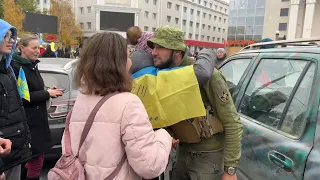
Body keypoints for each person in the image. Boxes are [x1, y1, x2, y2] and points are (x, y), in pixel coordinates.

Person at [66, 32, 173, 180]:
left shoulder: (82, 98)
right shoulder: (129, 104)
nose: (131, 62)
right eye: (128, 56)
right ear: (118, 63)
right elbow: (149, 166)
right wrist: (163, 136)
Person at [146, 26, 243, 180]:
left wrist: (230, 170)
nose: (153, 52)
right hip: (182, 154)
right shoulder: (165, 76)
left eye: (160, 47)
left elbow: (233, 123)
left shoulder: (209, 76)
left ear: (177, 51)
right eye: (153, 47)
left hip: (207, 160)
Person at [11, 34, 64, 180]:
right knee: (35, 160)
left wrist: (48, 91)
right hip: (28, 122)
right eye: (34, 48)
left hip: (37, 121)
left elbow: (33, 90)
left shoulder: (31, 65)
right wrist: (47, 93)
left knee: (31, 160)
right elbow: (23, 97)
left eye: (39, 48)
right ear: (22, 48)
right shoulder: (17, 67)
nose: (37, 51)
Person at [0, 19, 32, 180]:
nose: (11, 40)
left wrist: (25, 144)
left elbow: (17, 109)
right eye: (5, 36)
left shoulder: (8, 71)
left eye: (12, 36)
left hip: (15, 151)